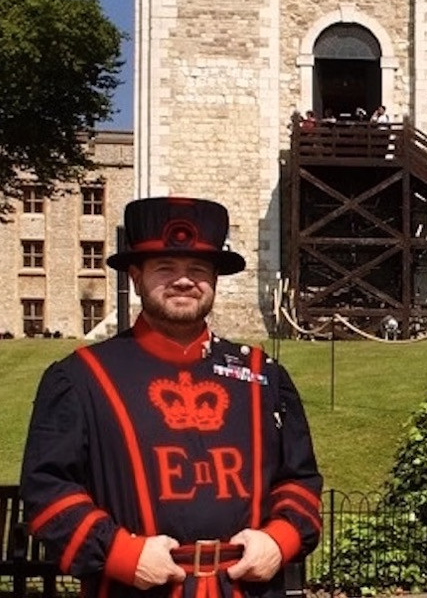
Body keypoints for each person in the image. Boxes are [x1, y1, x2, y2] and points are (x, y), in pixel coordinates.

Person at [20, 196, 323, 598]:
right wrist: (121, 553)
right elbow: (47, 491)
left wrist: (280, 539)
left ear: (214, 279)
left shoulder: (263, 376)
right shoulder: (81, 378)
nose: (184, 280)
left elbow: (299, 479)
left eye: (198, 269)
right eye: (165, 268)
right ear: (135, 276)